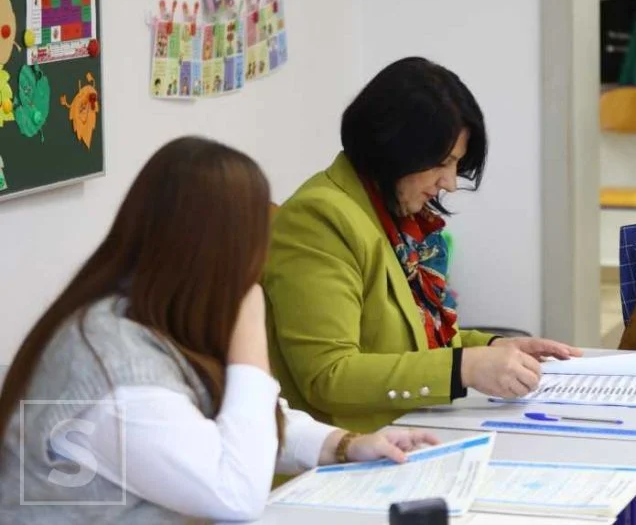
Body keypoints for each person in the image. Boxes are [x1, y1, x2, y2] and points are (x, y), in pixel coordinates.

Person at [0, 137, 438, 524]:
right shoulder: (116, 371)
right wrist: (249, 325)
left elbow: (242, 418)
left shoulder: (152, 308)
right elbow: (236, 492)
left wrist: (347, 445)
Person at [263, 57, 581, 434]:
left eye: (456, 165)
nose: (449, 183)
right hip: (344, 453)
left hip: (406, 434)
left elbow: (410, 337)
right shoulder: (319, 218)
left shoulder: (392, 213)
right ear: (394, 149)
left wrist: (494, 346)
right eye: (441, 164)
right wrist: (466, 367)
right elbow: (329, 375)